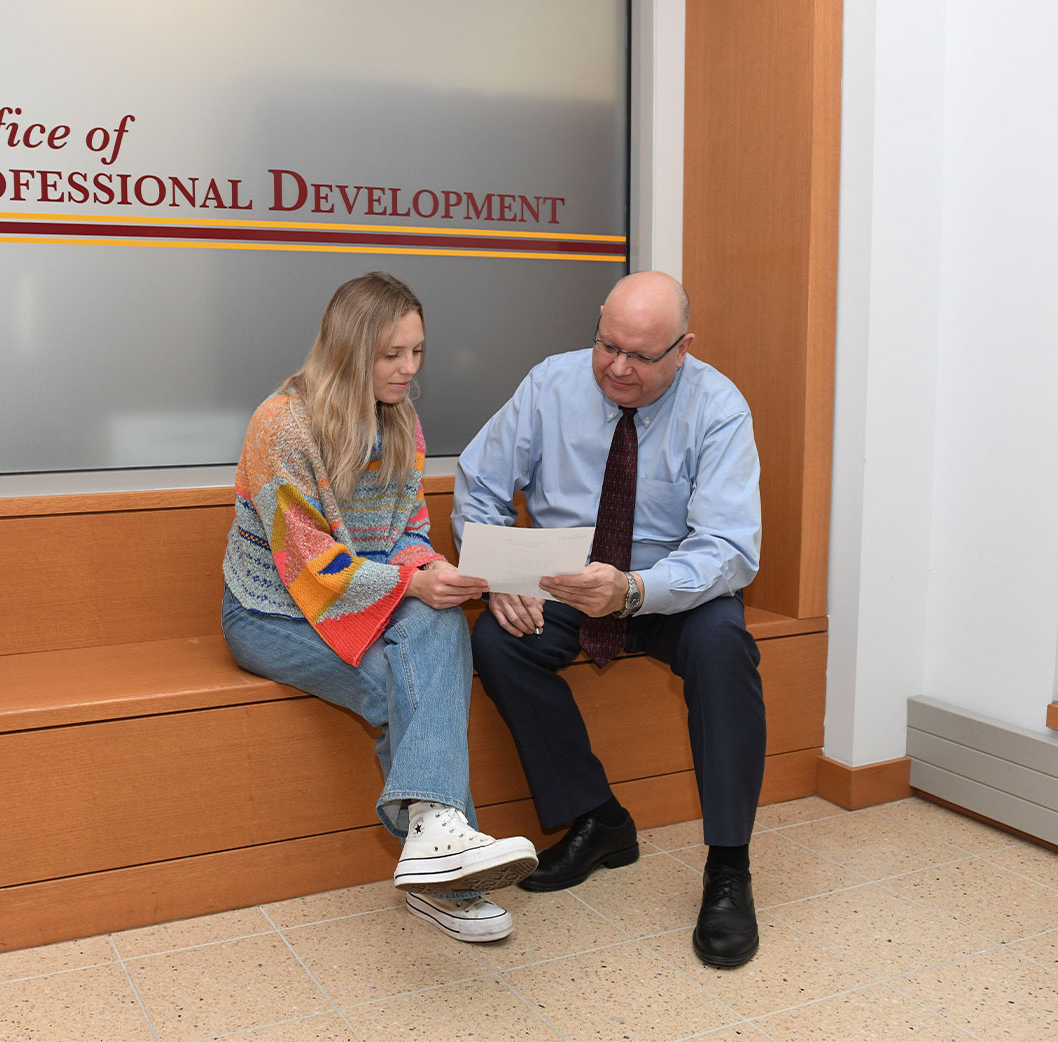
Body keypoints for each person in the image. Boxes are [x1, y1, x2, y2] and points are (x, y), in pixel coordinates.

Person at [451, 270, 765, 967]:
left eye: (642, 356)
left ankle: (728, 867)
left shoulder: (718, 408)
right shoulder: (550, 385)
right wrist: (503, 574)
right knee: (497, 641)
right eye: (607, 346)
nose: (618, 368)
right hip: (565, 578)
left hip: (671, 586)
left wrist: (632, 590)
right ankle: (600, 819)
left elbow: (730, 548)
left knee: (725, 648)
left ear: (683, 348)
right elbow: (480, 486)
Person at [221, 271, 537, 943]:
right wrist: (409, 584)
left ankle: (433, 844)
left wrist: (433, 570)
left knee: (442, 616)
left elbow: (409, 531)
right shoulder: (280, 426)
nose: (408, 368)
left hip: (366, 597)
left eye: (417, 352)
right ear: (348, 349)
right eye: (391, 355)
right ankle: (446, 873)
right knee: (408, 678)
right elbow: (307, 565)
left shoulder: (401, 423)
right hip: (271, 614)